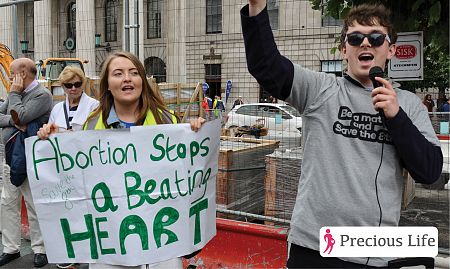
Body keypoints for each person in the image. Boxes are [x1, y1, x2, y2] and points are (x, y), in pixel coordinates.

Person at [241, 2, 442, 268]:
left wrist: (396, 115)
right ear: (344, 49)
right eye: (355, 38)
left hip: (373, 252)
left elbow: (429, 171)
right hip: (315, 246)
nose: (365, 44)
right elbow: (267, 66)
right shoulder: (320, 89)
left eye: (376, 37)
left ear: (390, 49)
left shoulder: (408, 104)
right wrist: (257, 7)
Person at [38, 51, 205, 269]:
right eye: (118, 73)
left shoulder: (168, 121)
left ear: (142, 81)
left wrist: (197, 134)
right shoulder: (92, 124)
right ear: (107, 84)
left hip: (162, 244)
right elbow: (75, 182)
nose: (127, 78)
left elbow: (189, 178)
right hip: (111, 246)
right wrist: (50, 142)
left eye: (134, 73)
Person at [0, 58, 52, 267]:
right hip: (9, 157)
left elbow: (22, 115)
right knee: (7, 204)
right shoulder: (16, 95)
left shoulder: (41, 95)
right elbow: (10, 118)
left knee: (33, 204)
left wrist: (13, 97)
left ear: (23, 73)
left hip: (30, 159)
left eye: (13, 73)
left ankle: (40, 249)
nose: (11, 77)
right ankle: (10, 248)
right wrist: (13, 121)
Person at [49, 66, 99, 132]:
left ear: (83, 84)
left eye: (77, 84)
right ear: (63, 87)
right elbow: (50, 132)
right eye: (69, 85)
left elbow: (97, 133)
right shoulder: (57, 109)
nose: (73, 88)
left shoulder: (94, 105)